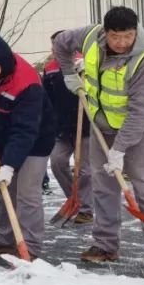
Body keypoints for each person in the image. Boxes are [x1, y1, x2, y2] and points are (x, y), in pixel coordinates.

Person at [53, 6, 144, 273]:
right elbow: (60, 43)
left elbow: (140, 112)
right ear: (104, 32)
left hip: (138, 131)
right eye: (115, 37)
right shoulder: (89, 37)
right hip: (101, 127)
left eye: (128, 36)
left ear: (136, 32)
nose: (122, 43)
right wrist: (68, 74)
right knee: (103, 187)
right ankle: (105, 245)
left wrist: (119, 150)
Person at [0, 30, 56, 258]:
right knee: (0, 189)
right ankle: (6, 238)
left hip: (35, 140)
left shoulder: (27, 82)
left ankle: (31, 246)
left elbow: (25, 131)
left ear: (2, 59)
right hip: (1, 138)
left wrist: (9, 166)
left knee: (26, 193)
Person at [42, 50, 93, 223]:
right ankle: (75, 199)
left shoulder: (87, 64)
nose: (55, 49)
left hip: (87, 125)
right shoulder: (50, 69)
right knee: (57, 162)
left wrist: (86, 73)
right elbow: (46, 98)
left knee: (85, 170)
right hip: (62, 127)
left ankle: (86, 209)